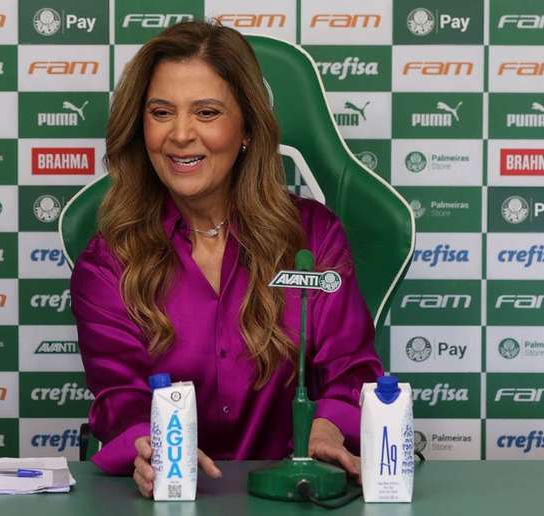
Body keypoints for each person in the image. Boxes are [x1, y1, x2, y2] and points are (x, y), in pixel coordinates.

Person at [70, 20, 383, 498]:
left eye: (207, 112)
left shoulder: (313, 238)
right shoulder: (107, 261)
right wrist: (150, 447)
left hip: (293, 498)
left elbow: (351, 370)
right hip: (166, 500)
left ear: (247, 130)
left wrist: (326, 433)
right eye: (160, 112)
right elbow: (120, 399)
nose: (179, 134)